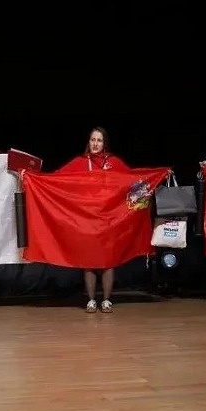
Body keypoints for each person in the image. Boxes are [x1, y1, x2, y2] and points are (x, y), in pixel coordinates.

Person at [56, 127, 129, 314]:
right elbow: (56, 179)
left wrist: (157, 175)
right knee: (89, 261)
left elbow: (132, 180)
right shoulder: (79, 162)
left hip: (108, 220)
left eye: (99, 140)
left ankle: (106, 300)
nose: (96, 144)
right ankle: (90, 300)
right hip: (86, 220)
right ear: (88, 142)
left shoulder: (114, 162)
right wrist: (30, 177)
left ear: (105, 143)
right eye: (93, 140)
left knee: (107, 261)